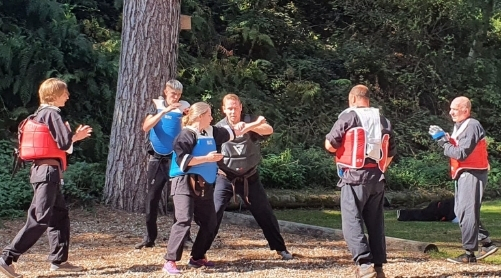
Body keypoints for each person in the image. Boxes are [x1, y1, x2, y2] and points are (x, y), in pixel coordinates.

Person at [0, 78, 92, 278]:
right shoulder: (52, 114)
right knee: (39, 218)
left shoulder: (39, 114)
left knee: (59, 215)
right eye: (65, 93)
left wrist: (71, 138)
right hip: (48, 172)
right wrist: (77, 136)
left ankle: (58, 261)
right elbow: (65, 145)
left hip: (44, 171)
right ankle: (7, 257)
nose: (68, 96)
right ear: (55, 95)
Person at [162, 102, 251, 274]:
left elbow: (233, 132)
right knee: (183, 220)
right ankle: (170, 260)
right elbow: (184, 162)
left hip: (205, 184)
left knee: (210, 222)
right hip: (184, 182)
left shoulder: (212, 132)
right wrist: (207, 158)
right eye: (209, 114)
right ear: (200, 116)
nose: (212, 118)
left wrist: (244, 126)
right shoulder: (186, 134)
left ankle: (197, 257)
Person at [324, 85, 396, 278]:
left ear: (352, 99)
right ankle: (379, 267)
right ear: (368, 99)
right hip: (377, 179)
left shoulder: (349, 117)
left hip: (354, 177)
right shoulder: (383, 120)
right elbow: (390, 152)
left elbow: (330, 145)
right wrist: (381, 168)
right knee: (375, 223)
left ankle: (364, 264)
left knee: (351, 222)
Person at [211, 93, 293, 260]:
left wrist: (249, 127)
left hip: (250, 177)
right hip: (226, 177)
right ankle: (199, 253)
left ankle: (280, 248)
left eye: (235, 107)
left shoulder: (250, 121)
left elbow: (269, 130)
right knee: (213, 213)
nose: (233, 111)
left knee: (265, 214)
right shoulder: (219, 128)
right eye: (229, 108)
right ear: (223, 110)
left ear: (240, 107)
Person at [428, 96, 498, 263]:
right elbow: (456, 147)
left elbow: (461, 153)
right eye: (450, 108)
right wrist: (445, 137)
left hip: (473, 173)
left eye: (455, 109)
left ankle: (469, 254)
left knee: (467, 212)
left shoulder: (472, 125)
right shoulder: (460, 126)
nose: (451, 112)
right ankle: (486, 243)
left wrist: (442, 141)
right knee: (461, 212)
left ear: (465, 110)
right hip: (464, 173)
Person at [135, 79, 193, 250]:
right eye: (173, 93)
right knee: (152, 199)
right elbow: (146, 127)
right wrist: (164, 111)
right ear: (166, 91)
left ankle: (184, 237)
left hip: (176, 158)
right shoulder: (156, 106)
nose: (175, 97)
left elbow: (190, 126)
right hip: (158, 158)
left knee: (181, 198)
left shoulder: (184, 108)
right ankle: (149, 237)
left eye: (178, 95)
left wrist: (186, 115)